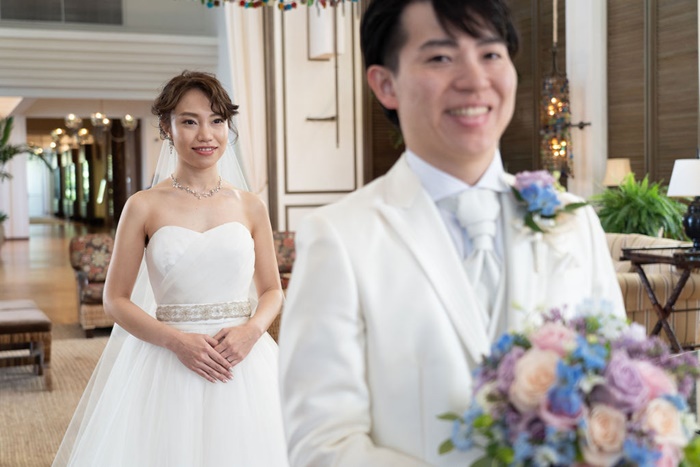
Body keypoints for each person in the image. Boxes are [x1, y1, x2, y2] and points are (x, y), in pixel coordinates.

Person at [278, 1, 626, 466]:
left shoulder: (573, 221)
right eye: (440, 57)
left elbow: (615, 393)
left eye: (490, 54)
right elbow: (323, 445)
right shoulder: (339, 238)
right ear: (385, 84)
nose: (475, 79)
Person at [53, 71, 289, 466]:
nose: (206, 135)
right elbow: (115, 299)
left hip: (243, 359)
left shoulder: (251, 205)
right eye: (189, 121)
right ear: (167, 127)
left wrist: (251, 331)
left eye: (216, 121)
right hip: (167, 361)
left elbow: (271, 290)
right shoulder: (143, 205)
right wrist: (177, 342)